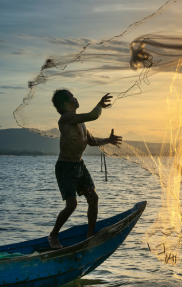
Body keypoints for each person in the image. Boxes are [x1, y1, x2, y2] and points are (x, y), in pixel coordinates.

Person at [48, 89, 122, 249]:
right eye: (72, 97)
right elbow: (94, 115)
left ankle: (90, 236)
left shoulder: (80, 122)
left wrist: (108, 140)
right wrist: (100, 105)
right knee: (71, 204)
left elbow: (91, 141)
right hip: (65, 167)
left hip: (79, 165)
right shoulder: (66, 118)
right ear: (66, 104)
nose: (76, 99)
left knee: (93, 198)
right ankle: (53, 235)